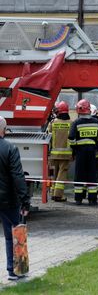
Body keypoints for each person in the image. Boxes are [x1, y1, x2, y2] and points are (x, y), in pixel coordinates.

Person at [0, 116, 30, 280]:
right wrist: (25, 200)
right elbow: (18, 176)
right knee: (13, 235)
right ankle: (13, 270)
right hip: (7, 200)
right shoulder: (10, 148)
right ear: (3, 130)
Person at [68, 99, 98, 206]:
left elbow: (71, 138)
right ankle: (92, 200)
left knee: (79, 175)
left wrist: (75, 148)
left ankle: (78, 199)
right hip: (93, 153)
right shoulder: (97, 123)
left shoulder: (76, 123)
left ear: (79, 110)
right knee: (92, 175)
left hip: (80, 153)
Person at [48, 101, 72, 202]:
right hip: (66, 155)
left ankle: (53, 193)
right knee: (62, 174)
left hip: (53, 154)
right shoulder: (71, 123)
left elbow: (47, 138)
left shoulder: (53, 123)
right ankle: (58, 195)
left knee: (53, 174)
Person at [90, 103, 98, 183]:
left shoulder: (83, 122)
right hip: (97, 153)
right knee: (95, 172)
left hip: (86, 153)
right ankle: (94, 189)